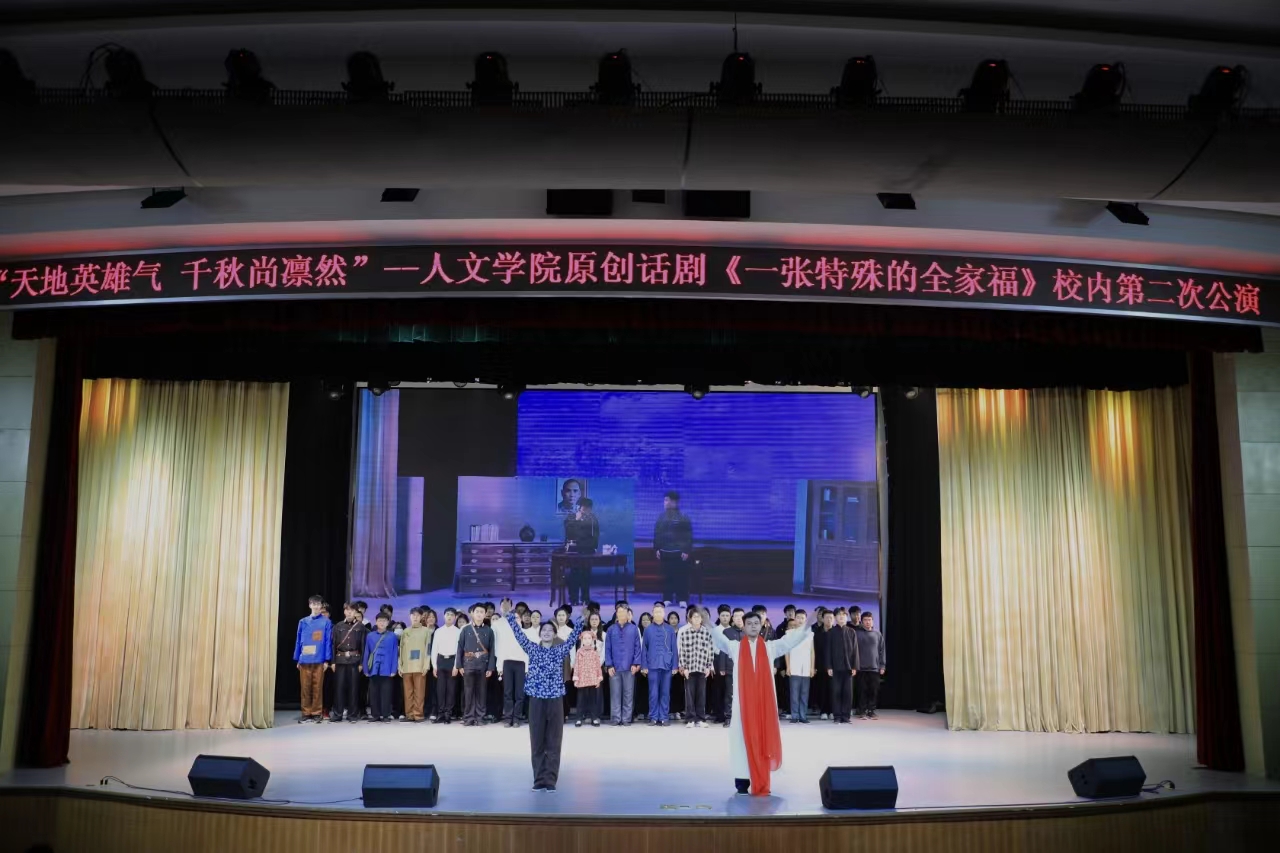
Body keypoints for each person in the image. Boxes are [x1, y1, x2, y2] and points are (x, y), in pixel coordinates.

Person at [705, 606, 811, 796]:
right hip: (742, 706)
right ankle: (742, 781)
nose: (753, 626)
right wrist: (707, 622)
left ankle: (761, 778)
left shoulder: (770, 647)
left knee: (762, 740)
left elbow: (790, 641)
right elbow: (719, 639)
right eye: (749, 624)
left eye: (756, 623)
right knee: (741, 741)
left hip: (764, 705)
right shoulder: (735, 647)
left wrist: (807, 625)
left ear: (761, 626)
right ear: (743, 627)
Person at [506, 608, 583, 792]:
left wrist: (580, 622)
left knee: (554, 740)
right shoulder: (532, 648)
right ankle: (539, 779)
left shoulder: (560, 650)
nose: (547, 632)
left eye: (550, 630)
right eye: (544, 630)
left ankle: (550, 780)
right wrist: (510, 617)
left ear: (555, 634)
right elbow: (519, 635)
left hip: (555, 699)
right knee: (537, 740)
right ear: (539, 634)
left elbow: (572, 639)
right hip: (536, 699)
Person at [294, 594, 331, 723]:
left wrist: (326, 660)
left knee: (317, 687)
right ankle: (306, 712)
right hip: (305, 659)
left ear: (321, 606)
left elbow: (327, 641)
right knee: (305, 687)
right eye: (313, 604)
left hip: (319, 659)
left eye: (318, 604)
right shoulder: (303, 622)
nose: (316, 606)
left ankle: (316, 712)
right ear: (310, 605)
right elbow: (298, 640)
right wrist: (298, 658)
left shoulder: (326, 622)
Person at [605, 600, 643, 726]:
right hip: (614, 667)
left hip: (629, 666)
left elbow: (638, 647)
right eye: (619, 612)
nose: (621, 614)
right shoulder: (611, 629)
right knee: (615, 694)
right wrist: (609, 665)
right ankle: (616, 718)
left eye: (624, 612)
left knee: (628, 694)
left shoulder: (634, 629)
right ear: (616, 614)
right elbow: (607, 648)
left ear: (628, 614)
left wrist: (636, 664)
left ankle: (626, 718)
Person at [653, 491, 693, 606]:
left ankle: (682, 599)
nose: (665, 502)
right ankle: (667, 598)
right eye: (665, 500)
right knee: (667, 576)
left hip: (679, 553)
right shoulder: (661, 517)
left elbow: (688, 536)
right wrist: (657, 549)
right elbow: (657, 534)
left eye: (667, 500)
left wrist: (686, 550)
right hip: (665, 552)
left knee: (681, 576)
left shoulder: (683, 517)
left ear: (674, 502)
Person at [493, 598, 529, 727]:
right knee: (507, 692)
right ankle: (508, 718)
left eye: (517, 618)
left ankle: (517, 718)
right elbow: (499, 648)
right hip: (507, 662)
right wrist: (499, 666)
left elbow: (527, 651)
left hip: (521, 663)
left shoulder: (524, 631)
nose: (515, 620)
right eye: (513, 618)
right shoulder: (502, 629)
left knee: (519, 693)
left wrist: (527, 668)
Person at [641, 602, 678, 726]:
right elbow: (644, 649)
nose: (658, 614)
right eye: (656, 612)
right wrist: (644, 666)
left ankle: (664, 717)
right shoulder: (648, 630)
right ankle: (653, 717)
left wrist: (675, 666)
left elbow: (674, 648)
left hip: (667, 665)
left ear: (664, 613)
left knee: (665, 692)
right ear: (653, 613)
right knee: (653, 692)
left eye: (660, 612)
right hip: (652, 665)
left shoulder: (669, 629)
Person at [459, 603, 496, 726]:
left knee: (481, 692)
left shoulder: (489, 630)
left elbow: (492, 650)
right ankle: (469, 717)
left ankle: (480, 717)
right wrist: (459, 665)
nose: (479, 614)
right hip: (468, 664)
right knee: (468, 692)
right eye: (477, 612)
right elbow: (459, 648)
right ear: (472, 613)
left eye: (482, 612)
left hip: (483, 664)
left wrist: (490, 667)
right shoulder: (465, 629)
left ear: (485, 614)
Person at [678, 607, 714, 728]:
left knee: (701, 695)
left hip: (702, 668)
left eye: (699, 617)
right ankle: (690, 719)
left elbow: (710, 650)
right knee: (689, 695)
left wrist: (709, 666)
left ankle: (700, 718)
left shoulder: (706, 632)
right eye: (694, 617)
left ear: (702, 619)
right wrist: (684, 667)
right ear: (690, 619)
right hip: (689, 669)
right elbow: (682, 651)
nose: (697, 619)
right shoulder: (685, 633)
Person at [331, 602, 367, 723]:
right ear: (344, 611)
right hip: (340, 660)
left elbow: (363, 646)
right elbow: (333, 644)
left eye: (352, 610)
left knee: (354, 689)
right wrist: (333, 662)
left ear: (356, 612)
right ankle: (337, 714)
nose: (350, 612)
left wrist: (361, 663)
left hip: (355, 661)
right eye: (347, 610)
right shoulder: (338, 626)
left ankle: (352, 715)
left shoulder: (360, 627)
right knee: (339, 688)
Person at [563, 497, 600, 605]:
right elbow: (569, 533)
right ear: (579, 507)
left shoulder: (592, 519)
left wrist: (594, 547)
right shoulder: (571, 517)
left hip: (588, 551)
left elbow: (596, 534)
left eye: (588, 509)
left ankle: (585, 598)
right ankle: (573, 599)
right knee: (574, 575)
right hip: (575, 551)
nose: (586, 511)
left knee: (586, 575)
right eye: (584, 508)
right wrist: (577, 520)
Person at [364, 612, 399, 722]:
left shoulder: (392, 636)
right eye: (380, 620)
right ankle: (375, 715)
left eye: (384, 621)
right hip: (373, 668)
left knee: (386, 693)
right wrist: (366, 669)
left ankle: (386, 715)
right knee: (374, 693)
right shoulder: (370, 636)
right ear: (376, 622)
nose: (382, 623)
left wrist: (394, 669)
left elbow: (395, 653)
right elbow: (367, 652)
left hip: (387, 668)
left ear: (388, 622)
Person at [826, 608, 858, 724]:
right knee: (836, 692)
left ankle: (846, 716)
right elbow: (828, 650)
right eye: (839, 615)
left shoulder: (851, 631)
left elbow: (855, 650)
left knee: (847, 693)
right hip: (835, 667)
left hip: (848, 667)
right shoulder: (831, 632)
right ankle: (837, 716)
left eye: (844, 615)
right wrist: (829, 666)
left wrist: (855, 666)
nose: (841, 617)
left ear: (846, 617)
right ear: (835, 618)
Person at [399, 607, 431, 723]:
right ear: (410, 616)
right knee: (408, 693)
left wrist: (426, 665)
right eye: (413, 615)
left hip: (420, 666)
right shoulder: (405, 631)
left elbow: (428, 649)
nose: (415, 617)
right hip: (407, 666)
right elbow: (401, 650)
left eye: (417, 615)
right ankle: (409, 715)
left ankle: (418, 714)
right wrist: (400, 665)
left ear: (421, 617)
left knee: (419, 692)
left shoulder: (426, 631)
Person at [431, 607, 461, 724]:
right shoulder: (438, 631)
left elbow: (459, 650)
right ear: (444, 616)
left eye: (452, 615)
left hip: (452, 661)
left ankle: (448, 714)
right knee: (440, 689)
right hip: (440, 661)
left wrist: (456, 666)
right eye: (447, 614)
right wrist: (434, 666)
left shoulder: (458, 632)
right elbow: (434, 649)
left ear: (455, 617)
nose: (449, 617)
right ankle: (440, 714)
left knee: (451, 690)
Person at [714, 607, 743, 726]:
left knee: (744, 694)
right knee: (729, 694)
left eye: (741, 616)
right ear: (733, 618)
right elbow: (723, 650)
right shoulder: (727, 632)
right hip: (731, 668)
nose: (739, 618)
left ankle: (743, 718)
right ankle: (729, 717)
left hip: (745, 669)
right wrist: (722, 667)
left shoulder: (749, 632)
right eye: (736, 616)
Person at [855, 611, 886, 720]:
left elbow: (882, 650)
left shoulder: (877, 634)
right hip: (861, 668)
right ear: (862, 621)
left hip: (874, 668)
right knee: (862, 690)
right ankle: (862, 711)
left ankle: (871, 711)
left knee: (873, 690)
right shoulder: (857, 634)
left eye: (869, 620)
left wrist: (882, 665)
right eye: (865, 620)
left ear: (873, 621)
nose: (868, 622)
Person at [785, 610, 815, 724]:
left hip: (806, 667)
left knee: (804, 693)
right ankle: (794, 715)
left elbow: (812, 652)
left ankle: (803, 716)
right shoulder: (789, 633)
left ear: (805, 620)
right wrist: (788, 667)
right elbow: (787, 651)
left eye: (802, 618)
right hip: (794, 666)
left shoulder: (810, 634)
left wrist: (812, 667)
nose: (800, 620)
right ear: (795, 619)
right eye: (798, 617)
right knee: (794, 693)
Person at [573, 630, 604, 727]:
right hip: (582, 679)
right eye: (585, 638)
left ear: (592, 640)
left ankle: (594, 718)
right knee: (581, 699)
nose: (587, 640)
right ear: (582, 640)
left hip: (592, 678)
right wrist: (576, 678)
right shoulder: (579, 652)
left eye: (589, 638)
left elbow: (598, 666)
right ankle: (579, 718)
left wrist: (599, 677)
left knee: (593, 700)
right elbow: (576, 665)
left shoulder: (594, 652)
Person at [812, 608, 834, 720]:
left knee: (833, 689)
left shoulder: (836, 632)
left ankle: (832, 710)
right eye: (827, 617)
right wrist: (814, 666)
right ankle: (823, 711)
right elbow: (814, 650)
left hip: (834, 666)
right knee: (822, 689)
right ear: (822, 618)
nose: (829, 620)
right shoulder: (816, 632)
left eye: (831, 618)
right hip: (820, 665)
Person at [667, 609, 686, 719]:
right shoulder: (666, 632)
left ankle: (678, 710)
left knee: (679, 688)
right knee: (669, 688)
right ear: (668, 620)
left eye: (675, 618)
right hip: (668, 664)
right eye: (671, 618)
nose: (673, 620)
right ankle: (670, 711)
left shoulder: (682, 632)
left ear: (678, 620)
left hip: (680, 664)